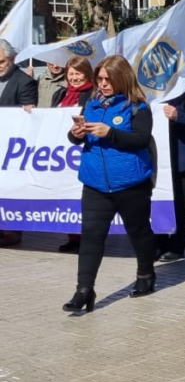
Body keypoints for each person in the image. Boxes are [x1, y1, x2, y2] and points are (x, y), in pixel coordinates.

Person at [62, 55, 157, 313]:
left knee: (139, 233)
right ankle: (84, 290)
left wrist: (110, 132)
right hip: (95, 184)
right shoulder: (91, 103)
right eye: (100, 78)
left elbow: (141, 139)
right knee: (91, 237)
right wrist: (75, 134)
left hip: (130, 183)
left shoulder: (137, 107)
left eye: (108, 79)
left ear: (121, 78)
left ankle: (146, 275)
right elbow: (77, 139)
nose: (103, 84)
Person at [152, 83, 185, 262]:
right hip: (158, 156)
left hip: (182, 158)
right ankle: (159, 243)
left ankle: (177, 246)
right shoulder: (152, 91)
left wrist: (178, 116)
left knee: (180, 203)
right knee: (159, 200)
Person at [54, 57, 95, 253]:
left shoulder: (93, 95)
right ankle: (72, 237)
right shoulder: (60, 93)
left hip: (81, 152)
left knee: (82, 196)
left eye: (78, 73)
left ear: (87, 74)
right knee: (66, 194)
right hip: (59, 154)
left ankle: (87, 238)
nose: (74, 77)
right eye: (70, 73)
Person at [0, 38, 38, 247]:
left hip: (12, 146)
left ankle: (12, 230)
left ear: (13, 59)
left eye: (1, 62)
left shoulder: (24, 81)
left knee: (10, 187)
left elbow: (27, 115)